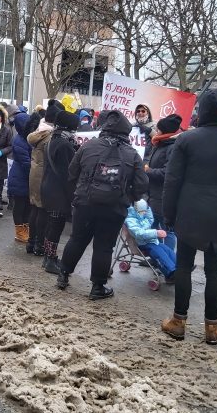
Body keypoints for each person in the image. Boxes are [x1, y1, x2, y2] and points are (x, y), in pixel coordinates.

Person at [160, 90, 217, 345]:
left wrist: (168, 213)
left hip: (189, 212)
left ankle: (178, 321)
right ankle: (212, 327)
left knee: (183, 267)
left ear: (202, 111)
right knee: (215, 271)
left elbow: (172, 180)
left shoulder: (187, 140)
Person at [56, 110, 148, 299]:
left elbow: (71, 173)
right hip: (114, 207)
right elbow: (141, 185)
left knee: (77, 239)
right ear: (126, 132)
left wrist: (80, 191)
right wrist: (128, 197)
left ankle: (63, 275)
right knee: (104, 247)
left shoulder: (88, 146)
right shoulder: (132, 154)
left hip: (85, 202)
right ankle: (97, 287)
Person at [41, 110, 81, 274]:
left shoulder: (52, 140)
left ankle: (47, 257)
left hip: (49, 187)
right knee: (56, 226)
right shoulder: (65, 145)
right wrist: (73, 195)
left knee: (51, 224)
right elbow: (68, 174)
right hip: (59, 191)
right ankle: (50, 260)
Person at [27, 100, 63, 254]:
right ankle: (38, 245)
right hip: (43, 175)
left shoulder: (39, 131)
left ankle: (31, 242)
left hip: (35, 173)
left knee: (35, 208)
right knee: (41, 210)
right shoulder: (49, 135)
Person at [146, 114, 183, 251]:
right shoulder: (160, 143)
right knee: (153, 229)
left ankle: (168, 261)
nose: (156, 130)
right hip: (154, 195)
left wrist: (148, 171)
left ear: (165, 131)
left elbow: (168, 173)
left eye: (159, 129)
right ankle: (156, 256)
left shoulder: (171, 147)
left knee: (167, 231)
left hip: (164, 197)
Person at [125, 199, 177, 281]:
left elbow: (150, 219)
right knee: (158, 252)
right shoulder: (131, 220)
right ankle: (171, 271)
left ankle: (180, 267)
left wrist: (148, 208)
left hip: (150, 241)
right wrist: (156, 233)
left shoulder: (143, 215)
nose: (144, 213)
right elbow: (138, 233)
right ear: (136, 211)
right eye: (143, 211)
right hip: (141, 243)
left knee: (166, 249)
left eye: (145, 211)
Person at [7, 110, 32, 243]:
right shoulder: (19, 140)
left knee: (27, 204)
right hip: (19, 176)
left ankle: (25, 228)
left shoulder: (27, 138)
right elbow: (26, 162)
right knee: (20, 205)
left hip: (25, 177)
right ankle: (19, 231)